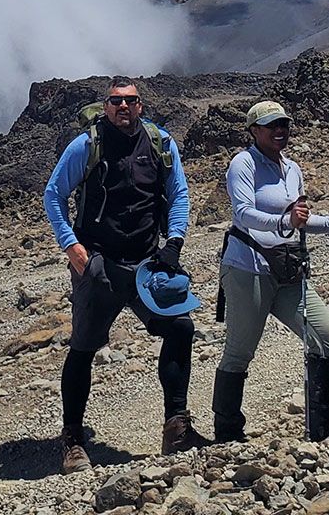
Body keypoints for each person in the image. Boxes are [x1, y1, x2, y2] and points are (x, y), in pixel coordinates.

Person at [43, 77, 209, 472]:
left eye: (131, 101)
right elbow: (54, 193)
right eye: (116, 101)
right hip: (98, 262)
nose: (123, 107)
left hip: (147, 260)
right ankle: (73, 440)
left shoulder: (159, 143)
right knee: (83, 347)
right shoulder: (87, 145)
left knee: (180, 328)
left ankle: (177, 426)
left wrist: (175, 241)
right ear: (106, 105)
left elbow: (179, 192)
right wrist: (71, 245)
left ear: (140, 105)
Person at [213, 100, 329, 443]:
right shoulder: (243, 164)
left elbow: (301, 220)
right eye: (272, 125)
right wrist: (285, 220)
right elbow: (244, 214)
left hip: (287, 269)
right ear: (254, 131)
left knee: (326, 334)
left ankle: (323, 424)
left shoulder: (292, 169)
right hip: (247, 268)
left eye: (284, 124)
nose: (280, 130)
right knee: (240, 351)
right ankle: (227, 433)